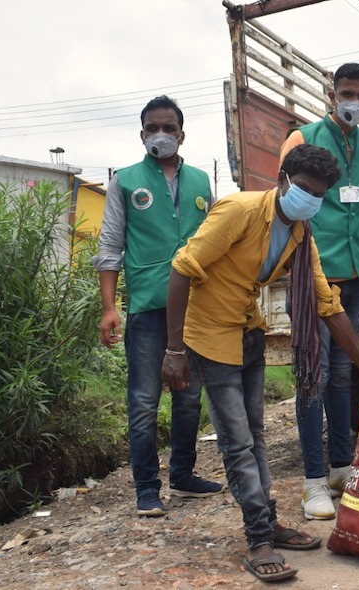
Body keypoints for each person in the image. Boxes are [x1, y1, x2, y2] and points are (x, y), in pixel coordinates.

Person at [162, 143, 359, 583]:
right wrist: (173, 350)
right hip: (209, 335)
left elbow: (328, 303)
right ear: (282, 180)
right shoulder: (239, 210)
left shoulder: (301, 234)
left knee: (257, 435)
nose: (310, 199)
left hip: (248, 333)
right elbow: (182, 268)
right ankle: (259, 538)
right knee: (237, 442)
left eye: (318, 194)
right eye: (304, 188)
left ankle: (268, 521)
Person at [279, 62, 359, 520]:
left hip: (356, 276)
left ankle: (338, 468)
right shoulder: (302, 138)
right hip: (313, 276)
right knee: (314, 374)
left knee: (343, 375)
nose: (356, 103)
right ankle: (312, 483)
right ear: (332, 94)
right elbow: (284, 204)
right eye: (347, 93)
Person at [93, 95, 223, 517]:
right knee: (144, 400)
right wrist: (109, 307)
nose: (161, 135)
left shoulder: (203, 182)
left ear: (182, 134)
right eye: (153, 128)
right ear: (143, 133)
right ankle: (146, 488)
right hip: (148, 306)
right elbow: (110, 246)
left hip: (196, 304)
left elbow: (216, 241)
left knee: (189, 396)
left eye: (169, 128)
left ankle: (183, 476)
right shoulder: (125, 182)